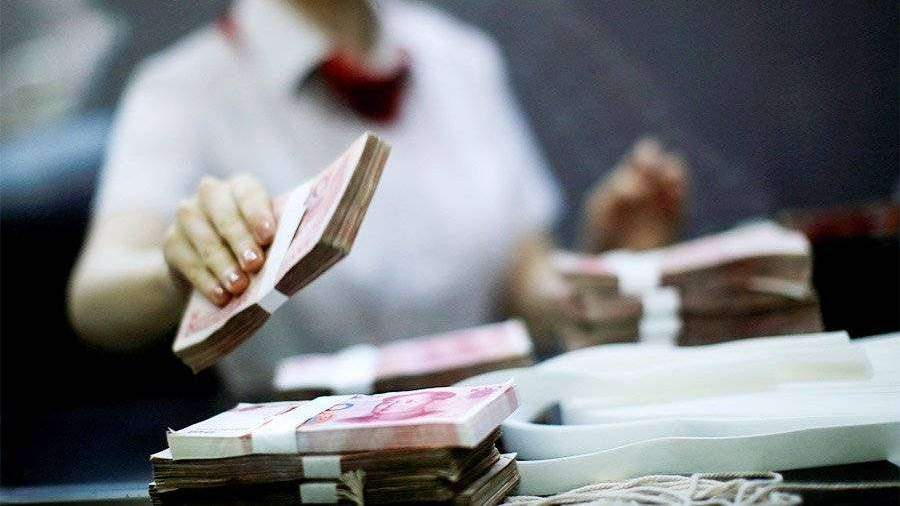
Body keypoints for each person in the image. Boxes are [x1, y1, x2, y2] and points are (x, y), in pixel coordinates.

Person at [68, 0, 686, 396]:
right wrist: (180, 269)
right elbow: (97, 297)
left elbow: (520, 279)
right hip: (305, 468)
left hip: (490, 447)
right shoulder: (182, 89)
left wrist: (602, 273)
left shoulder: (458, 55)